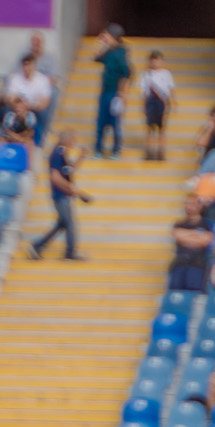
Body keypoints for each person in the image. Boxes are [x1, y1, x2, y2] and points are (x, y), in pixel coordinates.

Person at [28, 131, 88, 261]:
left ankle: (37, 246)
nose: (74, 143)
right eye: (73, 140)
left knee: (62, 223)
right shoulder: (57, 154)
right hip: (60, 195)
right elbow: (55, 177)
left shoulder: (63, 154)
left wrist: (81, 156)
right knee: (69, 223)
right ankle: (70, 252)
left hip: (63, 195)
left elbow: (70, 170)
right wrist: (71, 189)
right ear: (66, 140)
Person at [92, 25, 129, 159]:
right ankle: (98, 149)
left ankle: (116, 149)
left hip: (114, 93)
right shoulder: (108, 52)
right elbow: (95, 57)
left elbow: (125, 74)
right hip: (105, 91)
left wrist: (122, 93)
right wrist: (102, 44)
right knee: (101, 121)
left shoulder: (120, 53)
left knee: (115, 122)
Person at [6, 52, 53, 146]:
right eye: (25, 65)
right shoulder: (15, 78)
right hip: (18, 107)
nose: (27, 68)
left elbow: (45, 102)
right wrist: (20, 104)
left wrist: (30, 106)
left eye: (29, 65)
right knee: (5, 110)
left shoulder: (42, 80)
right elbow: (10, 97)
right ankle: (7, 137)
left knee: (44, 113)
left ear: (34, 65)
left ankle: (39, 141)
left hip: (35, 107)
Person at [167, 197, 211, 291]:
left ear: (199, 206)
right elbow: (178, 236)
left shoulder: (206, 224)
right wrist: (196, 234)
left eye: (192, 204)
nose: (188, 206)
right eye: (187, 203)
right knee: (176, 291)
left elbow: (205, 241)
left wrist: (186, 236)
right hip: (180, 262)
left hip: (197, 264)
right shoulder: (180, 223)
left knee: (194, 292)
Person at [138, 51, 175, 161]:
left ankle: (161, 151)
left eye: (157, 60)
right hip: (151, 102)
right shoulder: (146, 75)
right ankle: (149, 151)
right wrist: (143, 105)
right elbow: (143, 91)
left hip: (162, 102)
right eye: (153, 61)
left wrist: (173, 102)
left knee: (161, 129)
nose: (155, 63)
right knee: (150, 128)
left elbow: (170, 88)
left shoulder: (166, 74)